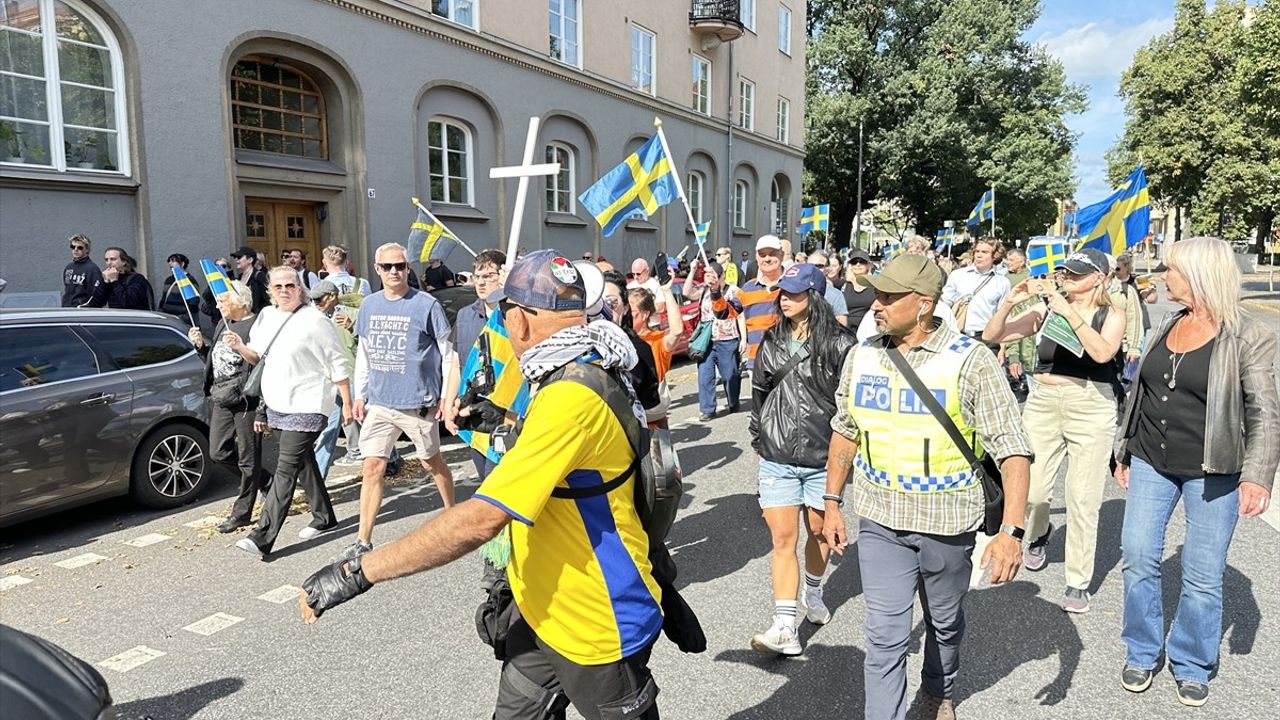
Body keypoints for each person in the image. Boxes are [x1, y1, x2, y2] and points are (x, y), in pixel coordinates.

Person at [300, 250, 663, 720]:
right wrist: (509, 421)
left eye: (501, 315)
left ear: (519, 322)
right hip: (542, 611)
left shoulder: (571, 397)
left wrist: (360, 571)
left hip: (596, 621)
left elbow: (481, 519)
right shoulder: (584, 361)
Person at [822, 253, 1033, 720]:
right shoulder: (862, 355)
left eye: (888, 297)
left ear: (923, 305)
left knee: (944, 622)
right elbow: (846, 429)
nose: (876, 305)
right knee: (884, 636)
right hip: (880, 521)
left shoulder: (970, 361)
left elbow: (1013, 450)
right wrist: (832, 501)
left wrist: (1011, 533)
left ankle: (938, 691)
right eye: (876, 294)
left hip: (948, 523)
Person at [1113, 237, 1279, 707]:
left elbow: (1264, 411)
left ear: (1202, 276)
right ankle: (1143, 651)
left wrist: (1257, 476)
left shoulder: (1248, 334)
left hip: (1214, 470)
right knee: (1139, 556)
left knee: (1202, 575)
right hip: (1150, 459)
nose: (1165, 277)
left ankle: (1191, 661)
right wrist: (1123, 450)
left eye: (1172, 271)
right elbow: (1139, 394)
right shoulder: (1167, 323)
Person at [982, 248, 1125, 613]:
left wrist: (1070, 312)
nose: (1067, 279)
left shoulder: (1112, 313)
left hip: (1090, 404)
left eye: (1076, 275)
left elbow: (1103, 353)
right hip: (1044, 400)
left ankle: (1077, 582)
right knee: (1032, 489)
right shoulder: (1046, 310)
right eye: (1065, 273)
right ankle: (1040, 531)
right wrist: (1009, 303)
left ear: (1099, 279)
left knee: (1082, 496)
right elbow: (993, 333)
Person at [748, 264, 856, 656]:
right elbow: (759, 392)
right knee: (782, 539)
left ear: (815, 297)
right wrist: (761, 435)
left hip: (821, 459)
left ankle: (814, 589)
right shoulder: (772, 339)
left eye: (794, 293)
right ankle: (783, 627)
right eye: (783, 293)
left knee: (819, 534)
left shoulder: (842, 344)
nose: (785, 299)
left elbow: (850, 407)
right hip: (777, 457)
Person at [227, 266, 352, 558]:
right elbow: (257, 356)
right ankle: (325, 517)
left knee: (286, 467)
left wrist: (346, 402)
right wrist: (239, 346)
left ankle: (262, 536)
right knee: (303, 460)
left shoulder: (315, 320)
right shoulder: (267, 317)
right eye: (279, 286)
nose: (285, 291)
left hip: (308, 403)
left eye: (291, 285)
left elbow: (337, 362)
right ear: (270, 291)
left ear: (301, 288)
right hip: (278, 402)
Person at [341, 243, 455, 560]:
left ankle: (451, 513)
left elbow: (448, 355)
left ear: (408, 268)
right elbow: (364, 353)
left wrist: (447, 397)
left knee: (430, 462)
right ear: (377, 270)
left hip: (417, 403)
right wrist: (360, 394)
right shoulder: (369, 305)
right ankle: (363, 540)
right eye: (388, 266)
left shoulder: (426, 305)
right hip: (379, 402)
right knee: (373, 467)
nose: (395, 272)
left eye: (400, 266)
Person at [187, 280, 268, 533]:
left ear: (241, 302)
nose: (218, 305)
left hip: (247, 400)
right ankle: (267, 481)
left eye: (223, 300)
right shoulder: (224, 322)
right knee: (218, 452)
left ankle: (242, 513)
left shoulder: (256, 325)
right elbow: (218, 360)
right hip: (222, 397)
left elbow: (263, 364)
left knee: (248, 459)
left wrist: (263, 410)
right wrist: (202, 347)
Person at [444, 249, 508, 479]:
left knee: (498, 483)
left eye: (489, 276)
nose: (481, 282)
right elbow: (456, 363)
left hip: (504, 412)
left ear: (502, 277)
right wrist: (448, 402)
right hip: (472, 411)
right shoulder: (465, 315)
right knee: (484, 477)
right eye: (477, 276)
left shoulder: (513, 314)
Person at [694, 262, 743, 421]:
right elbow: (687, 292)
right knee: (705, 376)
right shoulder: (704, 290)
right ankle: (707, 409)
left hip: (728, 339)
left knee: (730, 375)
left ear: (721, 276)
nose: (709, 278)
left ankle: (733, 401)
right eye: (707, 275)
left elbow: (740, 315)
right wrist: (693, 270)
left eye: (713, 275)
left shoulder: (733, 291)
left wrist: (744, 339)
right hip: (707, 340)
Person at [628, 283, 681, 427]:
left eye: (631, 311)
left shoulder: (656, 339)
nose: (626, 314)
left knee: (658, 448)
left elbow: (676, 332)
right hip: (628, 413)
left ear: (644, 314)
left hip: (652, 414)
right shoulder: (618, 338)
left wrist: (666, 292)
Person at [940, 236, 1010, 340]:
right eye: (977, 251)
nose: (979, 255)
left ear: (995, 255)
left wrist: (1003, 345)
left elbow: (1003, 316)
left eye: (984, 252)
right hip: (958, 334)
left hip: (986, 337)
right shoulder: (957, 275)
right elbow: (944, 304)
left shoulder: (1002, 282)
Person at [740, 235, 786, 369]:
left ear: (782, 255)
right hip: (757, 362)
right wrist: (714, 290)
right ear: (756, 257)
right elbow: (724, 313)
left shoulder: (794, 285)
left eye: (772, 254)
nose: (767, 258)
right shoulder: (748, 288)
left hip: (786, 362)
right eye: (762, 255)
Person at [1109, 253, 1147, 377]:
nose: (1116, 271)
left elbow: (1152, 299)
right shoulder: (1109, 286)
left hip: (1138, 321)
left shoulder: (1138, 280)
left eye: (1118, 269)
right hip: (1118, 332)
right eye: (1115, 269)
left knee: (1131, 362)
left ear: (1127, 267)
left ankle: (1130, 382)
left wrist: (1148, 292)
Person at [85, 246, 153, 310]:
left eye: (113, 259)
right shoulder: (109, 279)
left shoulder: (137, 279)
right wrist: (104, 283)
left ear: (123, 262)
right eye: (106, 260)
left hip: (135, 320)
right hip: (116, 319)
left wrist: (114, 281)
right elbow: (95, 304)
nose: (109, 263)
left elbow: (128, 303)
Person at [157, 253, 201, 324]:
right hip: (168, 317)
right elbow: (164, 298)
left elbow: (194, 301)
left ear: (182, 264)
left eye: (173, 261)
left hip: (182, 319)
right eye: (169, 261)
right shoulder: (169, 280)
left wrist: (186, 317)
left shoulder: (189, 280)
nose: (170, 263)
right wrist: (160, 311)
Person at [806, 251, 848, 325]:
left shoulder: (836, 295)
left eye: (819, 266)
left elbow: (842, 325)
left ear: (827, 269)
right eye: (810, 265)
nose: (814, 269)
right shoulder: (796, 290)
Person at [62, 234, 102, 307]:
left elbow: (95, 294)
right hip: (67, 310)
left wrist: (85, 307)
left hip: (82, 312)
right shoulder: (69, 267)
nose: (75, 249)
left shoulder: (92, 269)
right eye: (73, 247)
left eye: (80, 247)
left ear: (87, 250)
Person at [841, 249, 875, 330]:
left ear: (868, 265)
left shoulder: (874, 285)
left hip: (869, 329)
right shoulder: (843, 284)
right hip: (846, 331)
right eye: (854, 262)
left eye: (862, 262)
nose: (858, 264)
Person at [230, 245, 270, 312]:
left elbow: (268, 299)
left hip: (257, 318)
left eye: (239, 257)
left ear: (250, 260)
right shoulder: (239, 277)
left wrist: (258, 314)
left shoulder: (259, 276)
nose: (237, 260)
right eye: (235, 258)